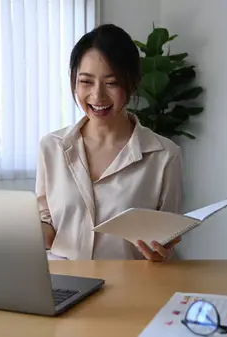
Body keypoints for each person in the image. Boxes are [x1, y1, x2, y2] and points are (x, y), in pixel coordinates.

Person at [35, 23, 183, 262]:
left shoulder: (165, 155)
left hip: (129, 287)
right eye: (85, 82)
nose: (97, 96)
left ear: (132, 83)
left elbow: (167, 240)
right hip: (64, 284)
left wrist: (162, 252)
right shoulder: (51, 147)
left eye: (111, 83)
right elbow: (47, 226)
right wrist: (22, 232)